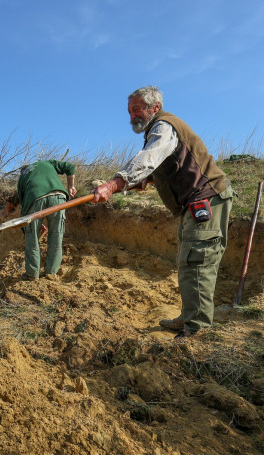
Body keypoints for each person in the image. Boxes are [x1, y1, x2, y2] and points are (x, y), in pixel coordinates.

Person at [92, 86, 234, 339]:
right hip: (192, 202)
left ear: (154, 107)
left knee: (197, 262)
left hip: (205, 198)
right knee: (187, 260)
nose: (132, 115)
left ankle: (196, 331)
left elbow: (149, 157)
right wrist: (146, 181)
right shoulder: (157, 128)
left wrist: (116, 183)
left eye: (137, 109)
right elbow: (168, 164)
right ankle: (190, 316)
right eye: (129, 111)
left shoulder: (164, 126)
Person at [14, 160, 77, 280]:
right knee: (56, 235)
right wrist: (70, 187)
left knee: (32, 237)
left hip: (35, 198)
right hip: (59, 196)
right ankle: (51, 272)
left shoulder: (23, 177)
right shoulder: (47, 163)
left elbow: (25, 205)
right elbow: (70, 167)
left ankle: (32, 274)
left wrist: (29, 228)